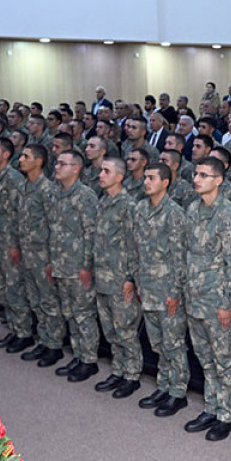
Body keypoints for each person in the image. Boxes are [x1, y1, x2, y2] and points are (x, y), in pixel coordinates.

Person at [181, 158, 231, 440]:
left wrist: (228, 305)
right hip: (195, 297)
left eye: (204, 175)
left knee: (225, 361)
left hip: (217, 301)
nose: (197, 179)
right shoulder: (193, 209)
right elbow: (188, 253)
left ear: (219, 180)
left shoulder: (230, 215)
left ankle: (227, 414)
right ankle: (211, 406)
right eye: (196, 174)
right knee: (206, 359)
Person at [132, 163, 192, 416]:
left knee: (173, 344)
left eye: (152, 178)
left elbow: (180, 257)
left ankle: (177, 392)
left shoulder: (174, 214)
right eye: (145, 177)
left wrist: (175, 293)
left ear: (165, 182)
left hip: (167, 290)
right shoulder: (140, 209)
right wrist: (136, 281)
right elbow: (135, 248)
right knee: (157, 343)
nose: (146, 182)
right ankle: (163, 384)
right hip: (147, 287)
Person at [92, 157, 145, 398]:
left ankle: (132, 374)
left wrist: (131, 278)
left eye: (106, 171)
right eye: (101, 170)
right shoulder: (103, 202)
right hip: (102, 276)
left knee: (125, 329)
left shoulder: (128, 206)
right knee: (111, 328)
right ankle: (118, 369)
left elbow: (136, 245)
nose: (101, 174)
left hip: (120, 278)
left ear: (119, 177)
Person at [46, 149, 100, 382]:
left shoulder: (85, 196)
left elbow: (91, 234)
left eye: (62, 164)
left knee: (83, 315)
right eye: (57, 163)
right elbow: (53, 231)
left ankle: (89, 361)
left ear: (76, 168)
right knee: (69, 313)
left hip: (78, 266)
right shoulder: (55, 194)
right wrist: (51, 261)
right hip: (60, 263)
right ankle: (78, 355)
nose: (56, 167)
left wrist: (87, 266)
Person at [15, 144, 67, 368]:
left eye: (26, 157)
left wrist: (51, 261)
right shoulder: (26, 185)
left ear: (39, 161)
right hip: (28, 252)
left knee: (49, 301)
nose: (21, 160)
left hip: (43, 255)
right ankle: (44, 340)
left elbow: (56, 227)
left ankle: (54, 345)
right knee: (35, 300)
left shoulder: (47, 189)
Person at [0, 139, 34, 353]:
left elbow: (19, 214)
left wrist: (15, 244)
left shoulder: (14, 179)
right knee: (1, 289)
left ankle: (23, 333)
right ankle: (13, 329)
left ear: (6, 155)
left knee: (15, 289)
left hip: (9, 244)